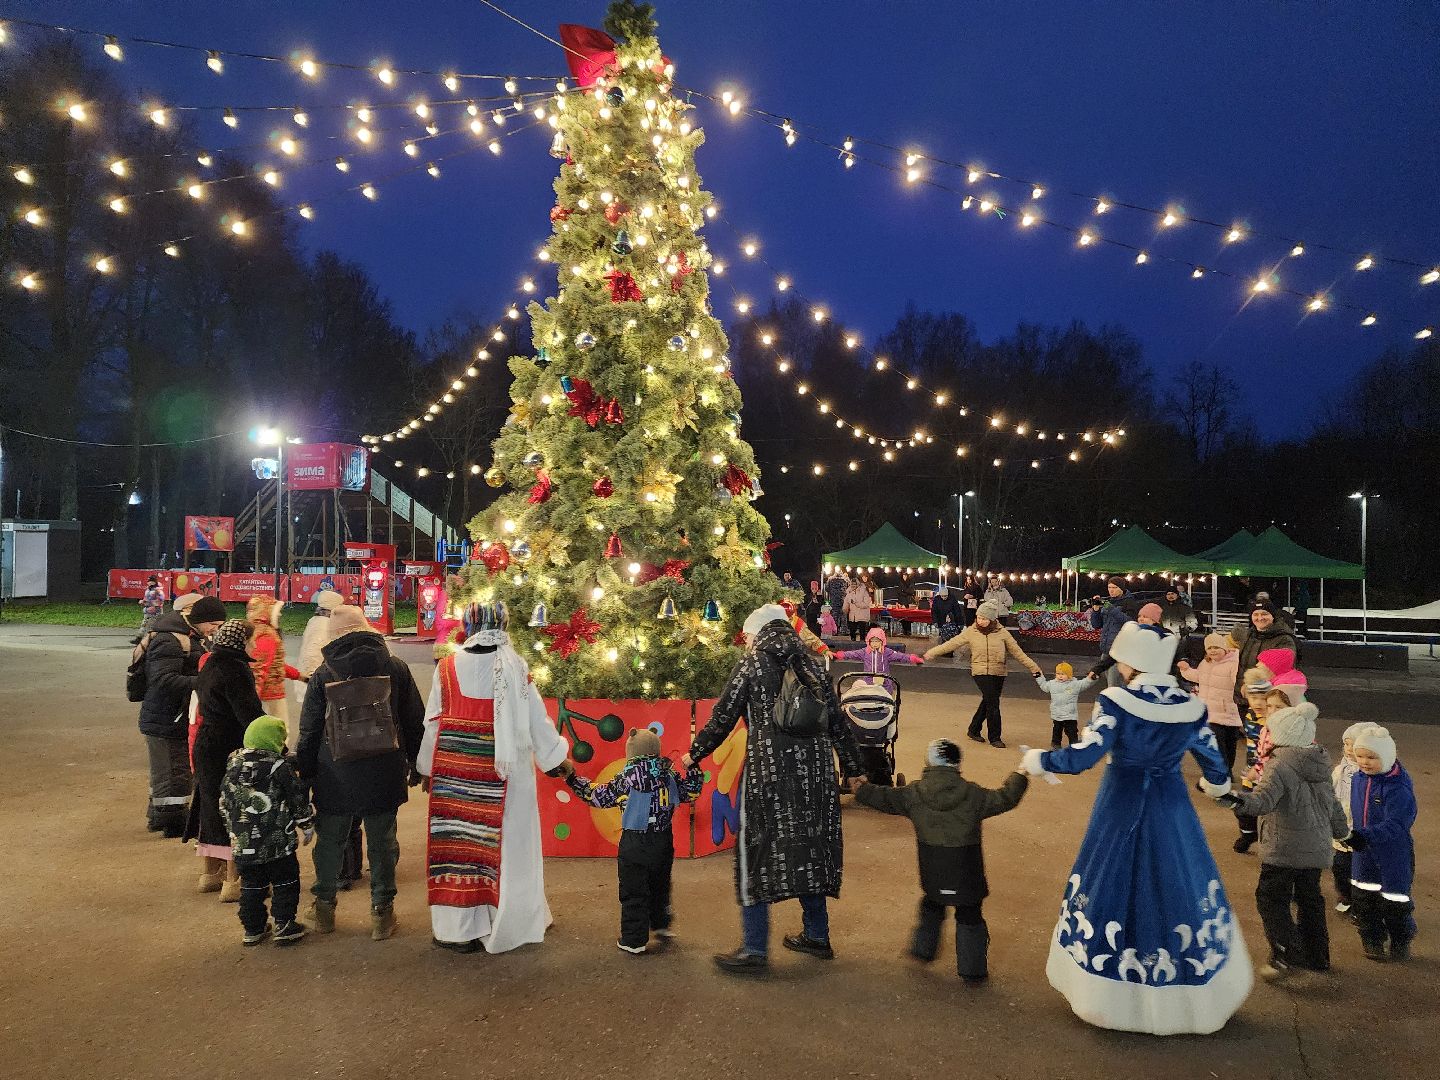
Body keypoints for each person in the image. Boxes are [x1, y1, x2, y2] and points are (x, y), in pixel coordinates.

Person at [1018, 622, 1253, 1035]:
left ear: (1135, 662)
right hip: (1171, 806)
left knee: (1112, 879)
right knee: (1178, 879)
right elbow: (1215, 766)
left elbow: (1085, 755)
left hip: (1120, 805)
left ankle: (1110, 994)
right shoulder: (1191, 705)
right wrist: (1215, 787)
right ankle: (1186, 994)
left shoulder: (1115, 701)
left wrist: (1041, 760)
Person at [683, 603, 866, 974]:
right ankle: (817, 935)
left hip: (770, 775)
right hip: (815, 776)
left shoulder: (752, 665)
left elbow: (723, 717)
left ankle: (754, 948)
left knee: (758, 851)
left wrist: (694, 754)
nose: (746, 643)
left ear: (758, 634)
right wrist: (854, 768)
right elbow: (837, 723)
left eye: (747, 637)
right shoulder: (813, 664)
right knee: (811, 848)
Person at [417, 602, 569, 954]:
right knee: (507, 851)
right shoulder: (515, 667)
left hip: (456, 780)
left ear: (469, 628)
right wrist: (556, 758)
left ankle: (457, 931)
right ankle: (507, 920)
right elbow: (537, 721)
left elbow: (433, 725)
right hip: (507, 779)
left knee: (459, 850)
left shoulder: (447, 668)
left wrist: (426, 768)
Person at [297, 604, 425, 942]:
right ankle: (382, 913)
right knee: (383, 842)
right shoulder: (396, 668)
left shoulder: (324, 674)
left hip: (334, 772)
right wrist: (417, 765)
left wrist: (306, 774)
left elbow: (309, 730)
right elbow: (414, 721)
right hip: (385, 769)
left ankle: (323, 908)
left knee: (330, 842)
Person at [853, 738, 1028, 981]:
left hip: (933, 870)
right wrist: (1021, 773)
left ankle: (923, 950)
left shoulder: (913, 794)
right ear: (958, 765)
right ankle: (972, 970)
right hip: (967, 871)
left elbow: (885, 798)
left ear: (928, 763)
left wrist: (861, 789)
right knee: (970, 916)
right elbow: (1006, 797)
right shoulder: (974, 795)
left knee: (932, 905)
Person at [1212, 702, 1348, 979]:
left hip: (1284, 847)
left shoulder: (1278, 765)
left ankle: (1284, 952)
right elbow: (1333, 806)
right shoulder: (1320, 763)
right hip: (1316, 849)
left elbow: (1261, 802)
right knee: (1311, 899)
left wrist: (1231, 800)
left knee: (1272, 899)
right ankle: (1317, 955)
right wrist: (1343, 833)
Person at [558, 728, 703, 955]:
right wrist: (693, 767)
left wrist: (572, 778)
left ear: (631, 752)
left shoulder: (625, 778)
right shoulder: (669, 774)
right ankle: (661, 925)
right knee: (660, 885)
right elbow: (691, 793)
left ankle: (634, 940)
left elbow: (596, 796)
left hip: (634, 843)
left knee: (634, 890)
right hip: (663, 840)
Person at [187, 619, 266, 901]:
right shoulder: (235, 669)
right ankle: (234, 880)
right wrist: (272, 743)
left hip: (206, 743)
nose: (255, 645)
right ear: (240, 642)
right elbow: (249, 714)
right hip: (229, 745)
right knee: (236, 809)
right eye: (252, 640)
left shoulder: (209, 663)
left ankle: (210, 874)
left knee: (210, 806)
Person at [220, 716, 315, 947]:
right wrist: (306, 824)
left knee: (251, 886)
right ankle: (284, 924)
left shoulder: (232, 766)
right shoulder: (279, 767)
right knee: (285, 882)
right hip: (277, 844)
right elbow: (296, 798)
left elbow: (224, 803)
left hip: (244, 844)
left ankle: (253, 928)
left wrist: (232, 830)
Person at [138, 594, 226, 837]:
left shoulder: (188, 636)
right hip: (167, 716)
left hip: (170, 714)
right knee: (174, 772)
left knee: (167, 771)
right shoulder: (170, 640)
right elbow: (163, 679)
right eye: (213, 625)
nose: (214, 630)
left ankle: (159, 817)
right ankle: (173, 822)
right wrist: (205, 681)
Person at [923, 600, 1041, 749]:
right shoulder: (971, 631)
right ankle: (995, 737)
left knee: (988, 701)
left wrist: (1033, 667)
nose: (981, 621)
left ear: (992, 619)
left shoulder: (1003, 633)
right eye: (979, 617)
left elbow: (1018, 653)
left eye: (984, 619)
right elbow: (952, 643)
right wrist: (932, 652)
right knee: (993, 704)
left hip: (998, 671)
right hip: (979, 671)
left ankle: (973, 729)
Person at [1345, 726, 1417, 962]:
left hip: (1392, 854)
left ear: (1386, 757)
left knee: (1396, 902)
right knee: (1364, 900)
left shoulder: (1398, 788)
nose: (1364, 762)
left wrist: (1364, 835)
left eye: (1372, 757)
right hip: (1363, 853)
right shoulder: (1358, 779)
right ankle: (1371, 939)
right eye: (1361, 756)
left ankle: (1400, 939)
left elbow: (1397, 824)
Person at [245, 595, 306, 746]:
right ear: (266, 612)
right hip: (271, 696)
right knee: (279, 734)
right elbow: (259, 670)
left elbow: (274, 665)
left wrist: (299, 676)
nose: (279, 615)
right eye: (276, 611)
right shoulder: (267, 636)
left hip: (267, 694)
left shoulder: (256, 632)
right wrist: (252, 702)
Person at [1177, 634, 1242, 775]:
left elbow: (1239, 683)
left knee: (1230, 745)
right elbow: (1198, 676)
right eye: (1209, 648)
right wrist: (1185, 670)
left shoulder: (1234, 663)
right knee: (1218, 745)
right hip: (1211, 713)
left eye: (1216, 647)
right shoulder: (1206, 663)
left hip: (1229, 711)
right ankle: (1222, 774)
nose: (1213, 651)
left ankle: (1226, 771)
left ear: (1224, 647)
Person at [1228, 602, 1297, 706]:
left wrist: (1252, 684)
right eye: (1256, 614)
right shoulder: (1248, 635)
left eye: (1264, 614)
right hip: (1243, 697)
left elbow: (1279, 668)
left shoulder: (1284, 639)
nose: (1260, 618)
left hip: (1267, 700)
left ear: (1273, 616)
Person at [1330, 723, 1367, 913]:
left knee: (1362, 869)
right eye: (1346, 745)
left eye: (1353, 745)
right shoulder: (1340, 770)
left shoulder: (1369, 773)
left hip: (1361, 828)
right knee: (1340, 867)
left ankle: (1361, 903)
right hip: (1342, 828)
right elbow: (1329, 792)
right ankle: (1345, 895)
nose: (1348, 750)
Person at [1087, 577, 1145, 687]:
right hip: (1106, 649)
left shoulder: (1130, 602)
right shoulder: (1108, 602)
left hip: (1119, 650)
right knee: (1110, 681)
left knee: (1113, 684)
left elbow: (1130, 623)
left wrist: (1111, 609)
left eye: (1114, 587)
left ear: (1122, 589)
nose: (1111, 590)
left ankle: (1115, 702)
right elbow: (1096, 625)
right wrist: (1095, 610)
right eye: (1109, 587)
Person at [1033, 662, 1101, 749]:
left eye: (1063, 674)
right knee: (1057, 730)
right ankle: (1055, 744)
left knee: (1072, 730)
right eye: (1058, 674)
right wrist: (1039, 677)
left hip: (1070, 714)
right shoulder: (1052, 684)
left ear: (1069, 675)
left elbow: (1085, 683)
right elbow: (1044, 686)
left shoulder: (1075, 684)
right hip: (1057, 714)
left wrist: (1092, 678)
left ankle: (1074, 744)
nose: (1060, 676)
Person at [834, 626, 924, 682]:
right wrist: (840, 655)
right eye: (872, 641)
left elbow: (900, 656)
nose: (875, 643)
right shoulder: (864, 652)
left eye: (877, 641)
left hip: (884, 682)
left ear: (882, 641)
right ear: (868, 641)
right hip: (868, 681)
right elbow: (852, 654)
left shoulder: (887, 652)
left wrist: (913, 658)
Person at [298, 589, 346, 678]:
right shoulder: (323, 625)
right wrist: (312, 677)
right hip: (313, 679)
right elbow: (313, 652)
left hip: (313, 677)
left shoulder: (315, 620)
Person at [843, 577, 873, 642]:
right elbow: (846, 602)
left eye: (855, 584)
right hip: (853, 615)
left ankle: (862, 646)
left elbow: (866, 604)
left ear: (858, 584)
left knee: (862, 633)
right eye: (852, 584)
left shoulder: (864, 591)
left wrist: (856, 603)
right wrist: (845, 608)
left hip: (862, 615)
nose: (853, 585)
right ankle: (853, 645)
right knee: (852, 631)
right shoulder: (849, 592)